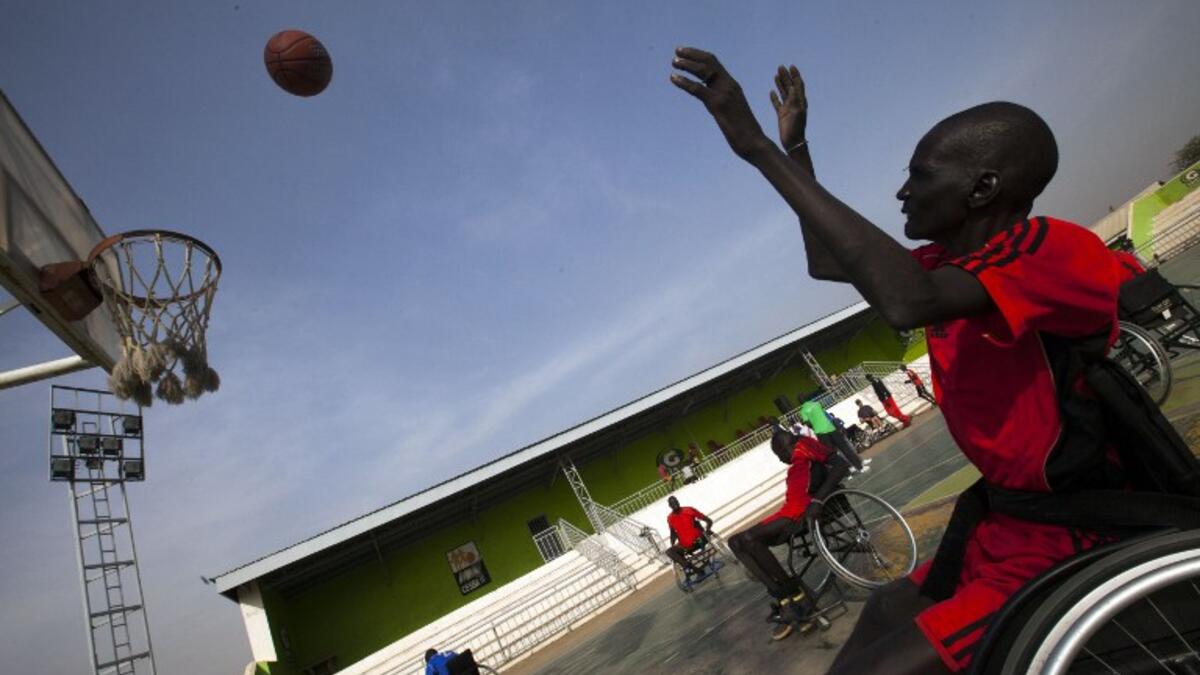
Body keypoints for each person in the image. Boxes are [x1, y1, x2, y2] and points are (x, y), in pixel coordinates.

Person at [670, 49, 1137, 673]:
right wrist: (795, 153)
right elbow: (830, 261)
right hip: (1006, 522)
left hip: (1073, 533)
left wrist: (756, 145)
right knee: (884, 616)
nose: (902, 190)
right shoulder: (947, 268)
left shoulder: (1051, 249)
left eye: (919, 175)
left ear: (982, 188)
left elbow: (904, 302)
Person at [729, 427, 849, 639]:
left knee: (748, 539)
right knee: (736, 542)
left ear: (786, 446)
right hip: (788, 513)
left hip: (800, 514)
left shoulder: (805, 447)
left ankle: (795, 598)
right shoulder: (796, 461)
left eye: (779, 454)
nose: (781, 459)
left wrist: (819, 500)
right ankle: (789, 599)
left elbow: (841, 465)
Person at [798, 398, 865, 472]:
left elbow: (808, 423)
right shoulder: (817, 404)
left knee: (833, 454)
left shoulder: (803, 410)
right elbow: (825, 414)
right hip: (831, 428)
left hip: (821, 433)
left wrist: (813, 424)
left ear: (800, 403)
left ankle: (847, 472)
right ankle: (860, 466)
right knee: (845, 448)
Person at [664, 496, 714, 579]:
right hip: (685, 546)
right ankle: (695, 569)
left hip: (699, 540)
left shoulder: (689, 510)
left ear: (678, 501)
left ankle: (694, 569)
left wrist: (707, 530)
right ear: (670, 506)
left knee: (693, 539)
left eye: (676, 501)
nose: (675, 504)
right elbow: (673, 534)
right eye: (672, 503)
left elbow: (708, 520)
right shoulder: (670, 518)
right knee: (669, 552)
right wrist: (672, 546)